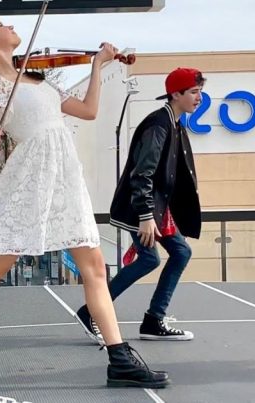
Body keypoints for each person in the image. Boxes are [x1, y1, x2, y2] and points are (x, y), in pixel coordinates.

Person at [0, 18, 169, 395]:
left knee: (94, 266)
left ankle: (120, 358)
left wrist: (97, 66)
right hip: (32, 177)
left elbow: (88, 111)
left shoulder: (39, 79)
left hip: (65, 176)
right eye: (2, 25)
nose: (13, 26)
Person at [76, 67, 205, 342]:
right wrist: (146, 216)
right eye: (194, 92)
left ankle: (153, 320)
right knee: (149, 259)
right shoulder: (158, 125)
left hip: (159, 208)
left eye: (200, 92)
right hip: (142, 207)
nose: (199, 98)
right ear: (175, 94)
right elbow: (142, 174)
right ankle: (92, 311)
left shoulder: (175, 123)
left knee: (180, 253)